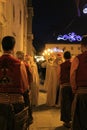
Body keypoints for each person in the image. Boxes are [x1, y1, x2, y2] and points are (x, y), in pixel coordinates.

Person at [0, 36, 30, 130]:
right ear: (13, 47)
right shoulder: (20, 64)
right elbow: (25, 86)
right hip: (16, 104)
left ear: (2, 47)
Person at [70, 36, 87, 130]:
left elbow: (72, 75)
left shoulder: (77, 58)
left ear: (82, 46)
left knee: (80, 121)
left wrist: (74, 89)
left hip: (82, 93)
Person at [16, 51, 33, 124]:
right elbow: (30, 76)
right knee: (27, 103)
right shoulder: (25, 65)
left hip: (19, 87)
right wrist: (29, 85)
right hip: (24, 87)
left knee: (25, 103)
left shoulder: (18, 64)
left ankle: (27, 118)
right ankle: (29, 118)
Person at [58, 51, 73, 128]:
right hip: (72, 86)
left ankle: (66, 121)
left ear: (64, 57)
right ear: (70, 57)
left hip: (64, 86)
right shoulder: (73, 64)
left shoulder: (61, 65)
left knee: (65, 104)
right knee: (72, 103)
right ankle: (72, 119)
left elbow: (59, 75)